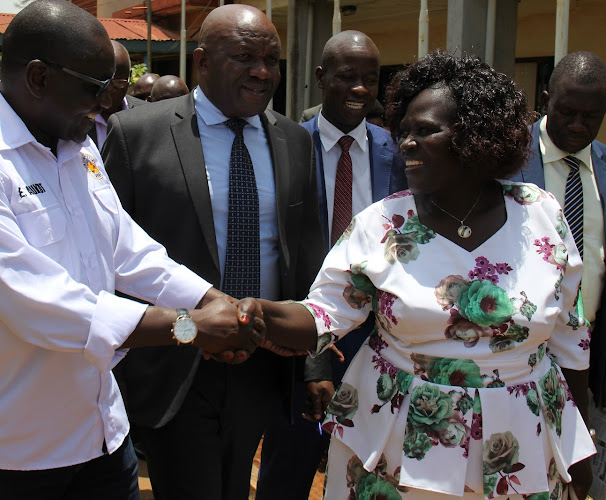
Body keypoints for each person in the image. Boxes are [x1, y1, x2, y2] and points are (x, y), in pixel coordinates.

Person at [0, 1, 256, 498]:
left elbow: (127, 249)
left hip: (96, 432)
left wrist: (209, 299)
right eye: (95, 86)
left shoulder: (75, 142)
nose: (108, 102)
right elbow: (42, 306)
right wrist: (191, 327)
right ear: (40, 78)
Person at [239, 50, 596, 500]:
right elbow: (322, 315)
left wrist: (580, 446)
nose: (405, 142)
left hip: (523, 436)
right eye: (403, 129)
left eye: (424, 131)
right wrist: (255, 313)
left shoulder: (540, 213)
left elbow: (570, 337)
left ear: (475, 135)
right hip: (399, 439)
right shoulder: (382, 224)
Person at [102, 4, 324, 499]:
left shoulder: (292, 140)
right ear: (201, 61)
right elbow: (107, 260)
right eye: (244, 57)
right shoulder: (138, 135)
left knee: (236, 483)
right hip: (177, 357)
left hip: (265, 358)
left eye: (272, 59)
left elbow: (308, 258)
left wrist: (313, 360)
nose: (262, 72)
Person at [255, 30, 407, 500]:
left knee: (368, 466)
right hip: (303, 334)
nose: (361, 89)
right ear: (321, 78)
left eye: (370, 79)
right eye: (347, 77)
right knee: (290, 465)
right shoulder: (281, 146)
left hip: (383, 339)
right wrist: (311, 354)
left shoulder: (399, 152)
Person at [508, 51, 606, 412]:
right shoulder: (507, 160)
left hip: (590, 350)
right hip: (519, 352)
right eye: (568, 112)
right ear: (546, 101)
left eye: (591, 116)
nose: (579, 125)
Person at [88, 40, 144, 152]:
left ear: (130, 76)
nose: (110, 90)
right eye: (103, 82)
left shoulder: (147, 115)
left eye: (119, 82)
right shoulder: (77, 116)